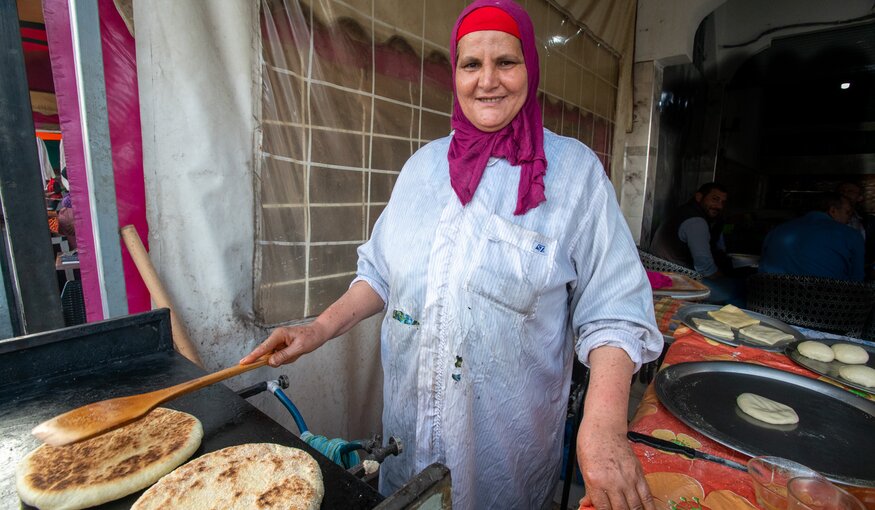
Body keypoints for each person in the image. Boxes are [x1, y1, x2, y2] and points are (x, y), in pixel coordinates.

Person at [241, 2, 662, 508]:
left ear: (530, 66)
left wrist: (603, 429)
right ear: (455, 73)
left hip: (504, 461)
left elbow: (614, 312)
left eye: (506, 62)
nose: (488, 80)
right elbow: (378, 271)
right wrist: (318, 330)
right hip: (408, 439)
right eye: (471, 65)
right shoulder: (422, 169)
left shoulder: (576, 176)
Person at [650, 183, 743, 304]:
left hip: (662, 275)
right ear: (699, 197)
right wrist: (723, 278)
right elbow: (705, 267)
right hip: (679, 283)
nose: (719, 206)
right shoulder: (696, 222)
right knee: (741, 290)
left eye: (723, 202)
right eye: (715, 199)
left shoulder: (682, 211)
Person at [759, 192, 865, 281]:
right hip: (828, 303)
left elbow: (762, 270)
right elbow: (857, 281)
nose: (849, 219)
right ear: (832, 211)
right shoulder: (851, 235)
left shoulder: (777, 230)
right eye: (847, 213)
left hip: (771, 302)